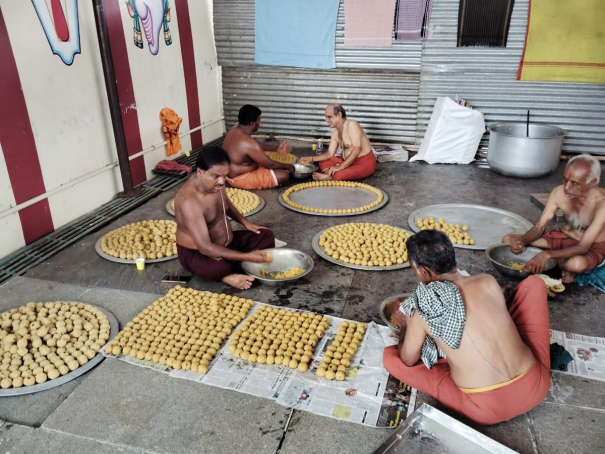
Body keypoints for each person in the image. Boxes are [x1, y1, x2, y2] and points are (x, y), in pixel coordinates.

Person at [383, 230, 551, 425]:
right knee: (535, 285)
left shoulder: (421, 307)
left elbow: (408, 360)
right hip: (537, 386)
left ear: (423, 271)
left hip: (487, 409)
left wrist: (406, 325)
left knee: (391, 358)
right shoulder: (487, 281)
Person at [174, 146, 274, 290]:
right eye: (216, 176)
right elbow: (205, 247)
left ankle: (235, 266)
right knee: (218, 267)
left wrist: (245, 222)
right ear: (200, 172)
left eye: (225, 175)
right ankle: (227, 276)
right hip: (200, 254)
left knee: (266, 235)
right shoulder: (189, 201)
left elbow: (225, 204)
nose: (222, 181)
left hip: (228, 243)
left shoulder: (215, 183)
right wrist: (247, 257)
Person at [503, 154, 605, 283]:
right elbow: (540, 227)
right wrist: (522, 242)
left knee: (576, 264)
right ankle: (558, 261)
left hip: (590, 247)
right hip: (562, 238)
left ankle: (558, 261)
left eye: (575, 183)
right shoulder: (558, 192)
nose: (567, 187)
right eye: (565, 180)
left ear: (591, 183)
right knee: (508, 240)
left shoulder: (602, 203)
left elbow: (583, 247)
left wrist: (547, 254)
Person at [222, 104, 295, 190]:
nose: (260, 123)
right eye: (259, 120)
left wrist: (275, 149)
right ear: (252, 123)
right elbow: (271, 164)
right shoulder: (248, 143)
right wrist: (289, 167)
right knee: (284, 174)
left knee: (266, 158)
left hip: (228, 173)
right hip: (239, 178)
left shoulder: (234, 129)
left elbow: (254, 144)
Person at [299, 104, 376, 181]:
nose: (326, 120)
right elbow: (329, 154)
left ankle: (329, 177)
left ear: (339, 115)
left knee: (339, 174)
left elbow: (357, 149)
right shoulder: (336, 133)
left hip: (363, 164)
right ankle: (329, 174)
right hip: (347, 163)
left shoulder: (352, 124)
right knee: (323, 160)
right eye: (326, 117)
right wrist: (311, 158)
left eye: (329, 117)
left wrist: (340, 166)